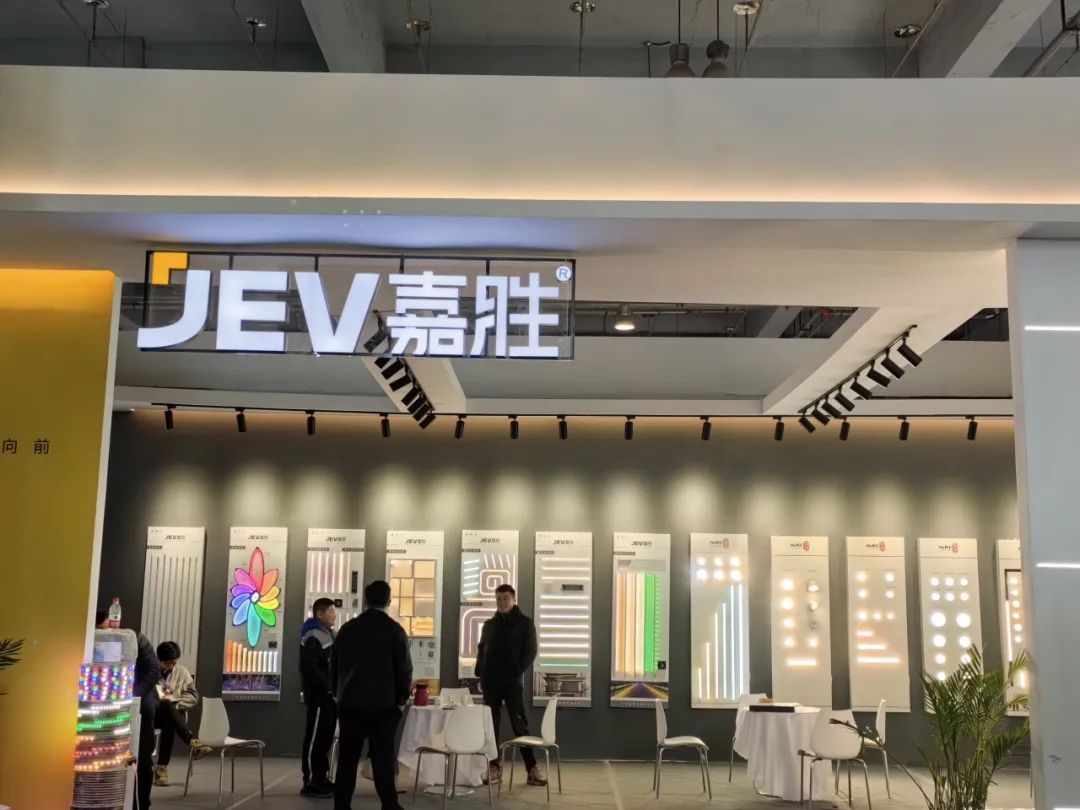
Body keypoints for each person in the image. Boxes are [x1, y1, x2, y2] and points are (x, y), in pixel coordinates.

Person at [331, 581, 412, 810]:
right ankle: (389, 805)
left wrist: (337, 694)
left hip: (350, 704)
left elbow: (334, 665)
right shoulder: (395, 630)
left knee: (347, 760)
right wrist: (401, 700)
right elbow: (404, 669)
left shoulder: (348, 629)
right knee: (382, 760)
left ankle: (341, 806)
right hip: (383, 706)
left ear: (365, 600)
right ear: (389, 600)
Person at [475, 584, 546, 787]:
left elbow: (531, 651)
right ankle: (494, 768)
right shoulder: (489, 625)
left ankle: (532, 769)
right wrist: (479, 670)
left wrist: (516, 671)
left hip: (512, 682)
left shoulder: (525, 623)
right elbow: (482, 649)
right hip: (490, 682)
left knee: (519, 724)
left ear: (514, 599)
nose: (502, 602)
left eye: (505, 598)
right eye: (498, 599)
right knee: (491, 725)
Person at [97, 610, 159, 810]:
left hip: (140, 707)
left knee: (141, 759)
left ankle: (141, 804)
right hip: (104, 708)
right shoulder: (91, 641)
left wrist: (133, 698)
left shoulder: (135, 639)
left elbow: (153, 671)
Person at [152, 641, 211, 786]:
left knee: (169, 719)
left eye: (174, 662)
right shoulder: (150, 672)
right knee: (165, 706)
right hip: (153, 715)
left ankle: (161, 770)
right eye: (167, 663)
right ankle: (192, 742)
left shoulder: (182, 672)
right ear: (159, 660)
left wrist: (175, 702)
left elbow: (193, 697)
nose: (171, 666)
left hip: (172, 716)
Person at [300, 598, 338, 797]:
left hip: (329, 698)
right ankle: (310, 781)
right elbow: (310, 668)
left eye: (334, 611)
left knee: (325, 738)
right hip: (318, 697)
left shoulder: (329, 634)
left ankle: (321, 776)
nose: (334, 615)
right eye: (330, 611)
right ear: (319, 614)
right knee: (315, 737)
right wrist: (328, 687)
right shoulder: (313, 636)